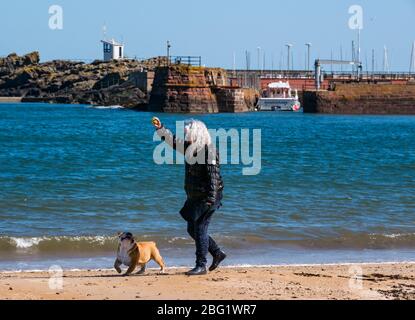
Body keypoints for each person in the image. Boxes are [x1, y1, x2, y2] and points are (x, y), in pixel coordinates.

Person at [152, 117, 226, 275]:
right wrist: (160, 129)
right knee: (192, 229)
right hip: (195, 196)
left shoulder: (209, 150)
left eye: (188, 130)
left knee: (200, 228)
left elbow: (213, 176)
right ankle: (217, 253)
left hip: (208, 196)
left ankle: (201, 265)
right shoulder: (190, 147)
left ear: (197, 132)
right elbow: (172, 142)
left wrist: (210, 199)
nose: (185, 132)